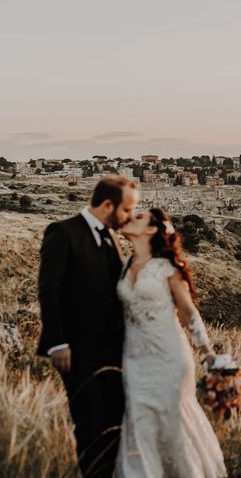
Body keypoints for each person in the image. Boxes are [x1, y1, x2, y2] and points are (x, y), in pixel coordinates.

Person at [37, 175, 139, 477]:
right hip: (76, 351)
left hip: (112, 351)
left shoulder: (110, 237)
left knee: (113, 421)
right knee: (90, 423)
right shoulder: (63, 232)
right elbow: (49, 290)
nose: (129, 217)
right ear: (108, 204)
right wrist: (57, 343)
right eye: (126, 210)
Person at [115, 207, 226, 477]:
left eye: (138, 217)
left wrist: (207, 351)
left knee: (173, 423)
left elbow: (188, 312)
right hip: (134, 358)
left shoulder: (166, 268)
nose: (130, 218)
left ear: (152, 230)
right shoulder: (126, 264)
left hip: (168, 357)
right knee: (138, 422)